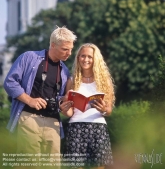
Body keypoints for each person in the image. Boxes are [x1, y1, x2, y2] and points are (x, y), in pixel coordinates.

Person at [4, 26, 76, 161]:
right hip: (29, 117)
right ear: (53, 45)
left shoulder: (64, 70)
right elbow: (10, 82)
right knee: (32, 163)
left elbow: (59, 97)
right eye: (65, 49)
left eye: (71, 49)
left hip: (53, 122)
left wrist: (63, 102)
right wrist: (30, 100)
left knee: (53, 164)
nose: (69, 53)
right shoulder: (29, 57)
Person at [61, 43, 115, 169]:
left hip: (98, 129)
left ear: (95, 59)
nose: (86, 59)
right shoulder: (72, 80)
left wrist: (104, 109)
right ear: (78, 58)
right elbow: (70, 112)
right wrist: (64, 110)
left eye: (89, 57)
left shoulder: (104, 81)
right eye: (82, 56)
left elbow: (109, 110)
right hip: (76, 128)